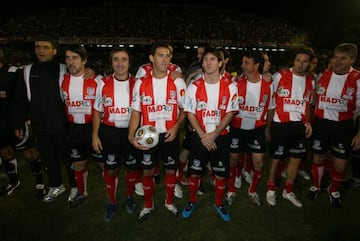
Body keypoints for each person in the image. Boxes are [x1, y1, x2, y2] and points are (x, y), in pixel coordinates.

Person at [12, 35, 76, 203]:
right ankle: (56, 185)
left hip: (63, 126)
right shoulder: (26, 71)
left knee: (70, 160)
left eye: (45, 47)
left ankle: (76, 187)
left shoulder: (64, 69)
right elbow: (19, 100)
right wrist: (19, 122)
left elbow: (83, 75)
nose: (41, 50)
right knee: (49, 160)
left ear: (54, 51)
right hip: (40, 127)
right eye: (38, 47)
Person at [128, 43, 186, 221]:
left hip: (169, 134)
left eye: (167, 56)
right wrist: (131, 135)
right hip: (148, 136)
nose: (164, 59)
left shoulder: (177, 81)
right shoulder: (140, 83)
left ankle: (169, 202)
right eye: (160, 55)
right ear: (151, 58)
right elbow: (136, 112)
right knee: (147, 172)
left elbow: (185, 109)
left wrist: (176, 127)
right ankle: (148, 204)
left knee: (170, 170)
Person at [181, 47, 238, 222]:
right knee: (195, 172)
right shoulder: (194, 86)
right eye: (206, 59)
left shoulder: (230, 85)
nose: (208, 62)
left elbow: (230, 113)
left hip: (220, 136)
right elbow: (190, 113)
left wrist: (214, 134)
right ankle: (192, 201)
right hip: (199, 137)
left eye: (213, 59)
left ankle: (218, 203)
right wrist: (203, 135)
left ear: (220, 63)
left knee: (221, 173)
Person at [308, 43, 360, 207]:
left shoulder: (358, 79)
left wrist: (359, 134)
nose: (337, 61)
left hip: (343, 126)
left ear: (352, 59)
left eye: (343, 58)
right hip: (321, 124)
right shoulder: (323, 75)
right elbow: (313, 101)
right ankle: (316, 186)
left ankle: (333, 189)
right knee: (318, 157)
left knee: (341, 163)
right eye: (335, 57)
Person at [92, 48, 141, 222]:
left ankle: (129, 196)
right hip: (109, 132)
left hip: (130, 132)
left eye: (124, 59)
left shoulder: (138, 83)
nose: (120, 63)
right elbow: (97, 111)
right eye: (116, 59)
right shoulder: (102, 83)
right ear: (111, 62)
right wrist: (95, 135)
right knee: (111, 168)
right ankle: (112, 201)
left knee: (130, 167)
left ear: (129, 62)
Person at [265, 47, 315, 208]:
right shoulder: (280, 76)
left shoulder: (311, 81)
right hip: (281, 124)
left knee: (295, 160)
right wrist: (268, 126)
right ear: (294, 61)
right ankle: (271, 189)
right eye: (298, 60)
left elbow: (307, 104)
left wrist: (308, 122)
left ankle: (288, 190)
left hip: (299, 126)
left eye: (304, 61)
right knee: (276, 159)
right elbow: (270, 98)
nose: (300, 64)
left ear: (310, 64)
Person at [60, 44, 104, 207]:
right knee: (79, 164)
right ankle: (82, 192)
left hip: (94, 128)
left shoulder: (97, 80)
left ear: (84, 60)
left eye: (75, 58)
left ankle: (110, 194)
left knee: (103, 164)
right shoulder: (62, 79)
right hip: (74, 129)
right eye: (68, 58)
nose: (71, 62)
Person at [227, 50, 272, 206]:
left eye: (246, 63)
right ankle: (231, 190)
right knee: (233, 159)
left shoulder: (269, 84)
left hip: (257, 130)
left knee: (259, 162)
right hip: (236, 129)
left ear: (257, 65)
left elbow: (271, 108)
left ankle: (252, 191)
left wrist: (268, 129)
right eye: (243, 62)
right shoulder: (235, 83)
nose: (242, 65)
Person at [0, 46, 45, 197]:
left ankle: (40, 182)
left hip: (13, 123)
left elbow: (21, 99)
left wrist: (20, 122)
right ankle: (14, 182)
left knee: (29, 153)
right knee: (5, 152)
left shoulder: (13, 73)